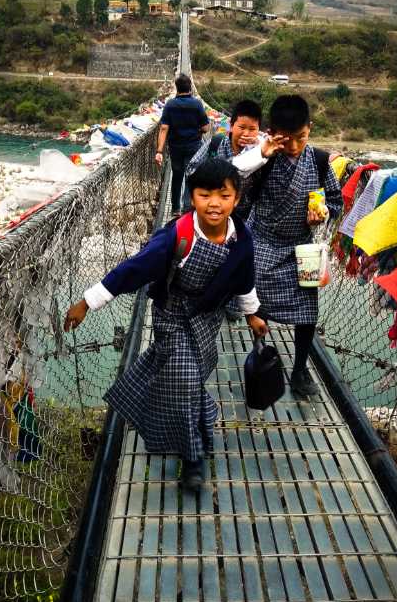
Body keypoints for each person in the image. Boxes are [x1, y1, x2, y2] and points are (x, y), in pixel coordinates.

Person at [64, 159, 268, 491]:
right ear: (192, 198)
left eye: (223, 195)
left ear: (237, 199)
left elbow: (245, 279)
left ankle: (193, 421)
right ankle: (193, 459)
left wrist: (252, 314)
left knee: (191, 378)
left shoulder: (241, 238)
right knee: (187, 379)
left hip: (207, 317)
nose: (214, 203)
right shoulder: (178, 235)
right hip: (172, 315)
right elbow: (135, 269)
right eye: (204, 195)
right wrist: (88, 301)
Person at [233, 95, 343, 397]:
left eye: (301, 137)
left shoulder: (320, 161)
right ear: (271, 132)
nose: (294, 146)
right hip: (264, 242)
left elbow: (335, 201)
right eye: (287, 139)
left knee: (308, 312)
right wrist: (261, 155)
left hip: (303, 246)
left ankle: (299, 369)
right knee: (260, 306)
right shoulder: (261, 157)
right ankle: (262, 355)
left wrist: (323, 214)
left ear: (310, 128)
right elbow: (235, 184)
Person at [182, 99, 263, 212]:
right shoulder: (215, 143)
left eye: (252, 129)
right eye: (242, 127)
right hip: (211, 210)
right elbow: (191, 170)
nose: (246, 133)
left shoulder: (261, 154)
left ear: (259, 130)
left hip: (242, 215)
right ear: (231, 125)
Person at [155, 73, 210, 216]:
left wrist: (159, 151)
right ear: (190, 87)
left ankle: (175, 209)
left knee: (177, 176)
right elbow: (205, 128)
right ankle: (187, 208)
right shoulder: (197, 104)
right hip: (193, 146)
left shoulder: (170, 105)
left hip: (175, 147)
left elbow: (164, 128)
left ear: (176, 88)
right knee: (190, 176)